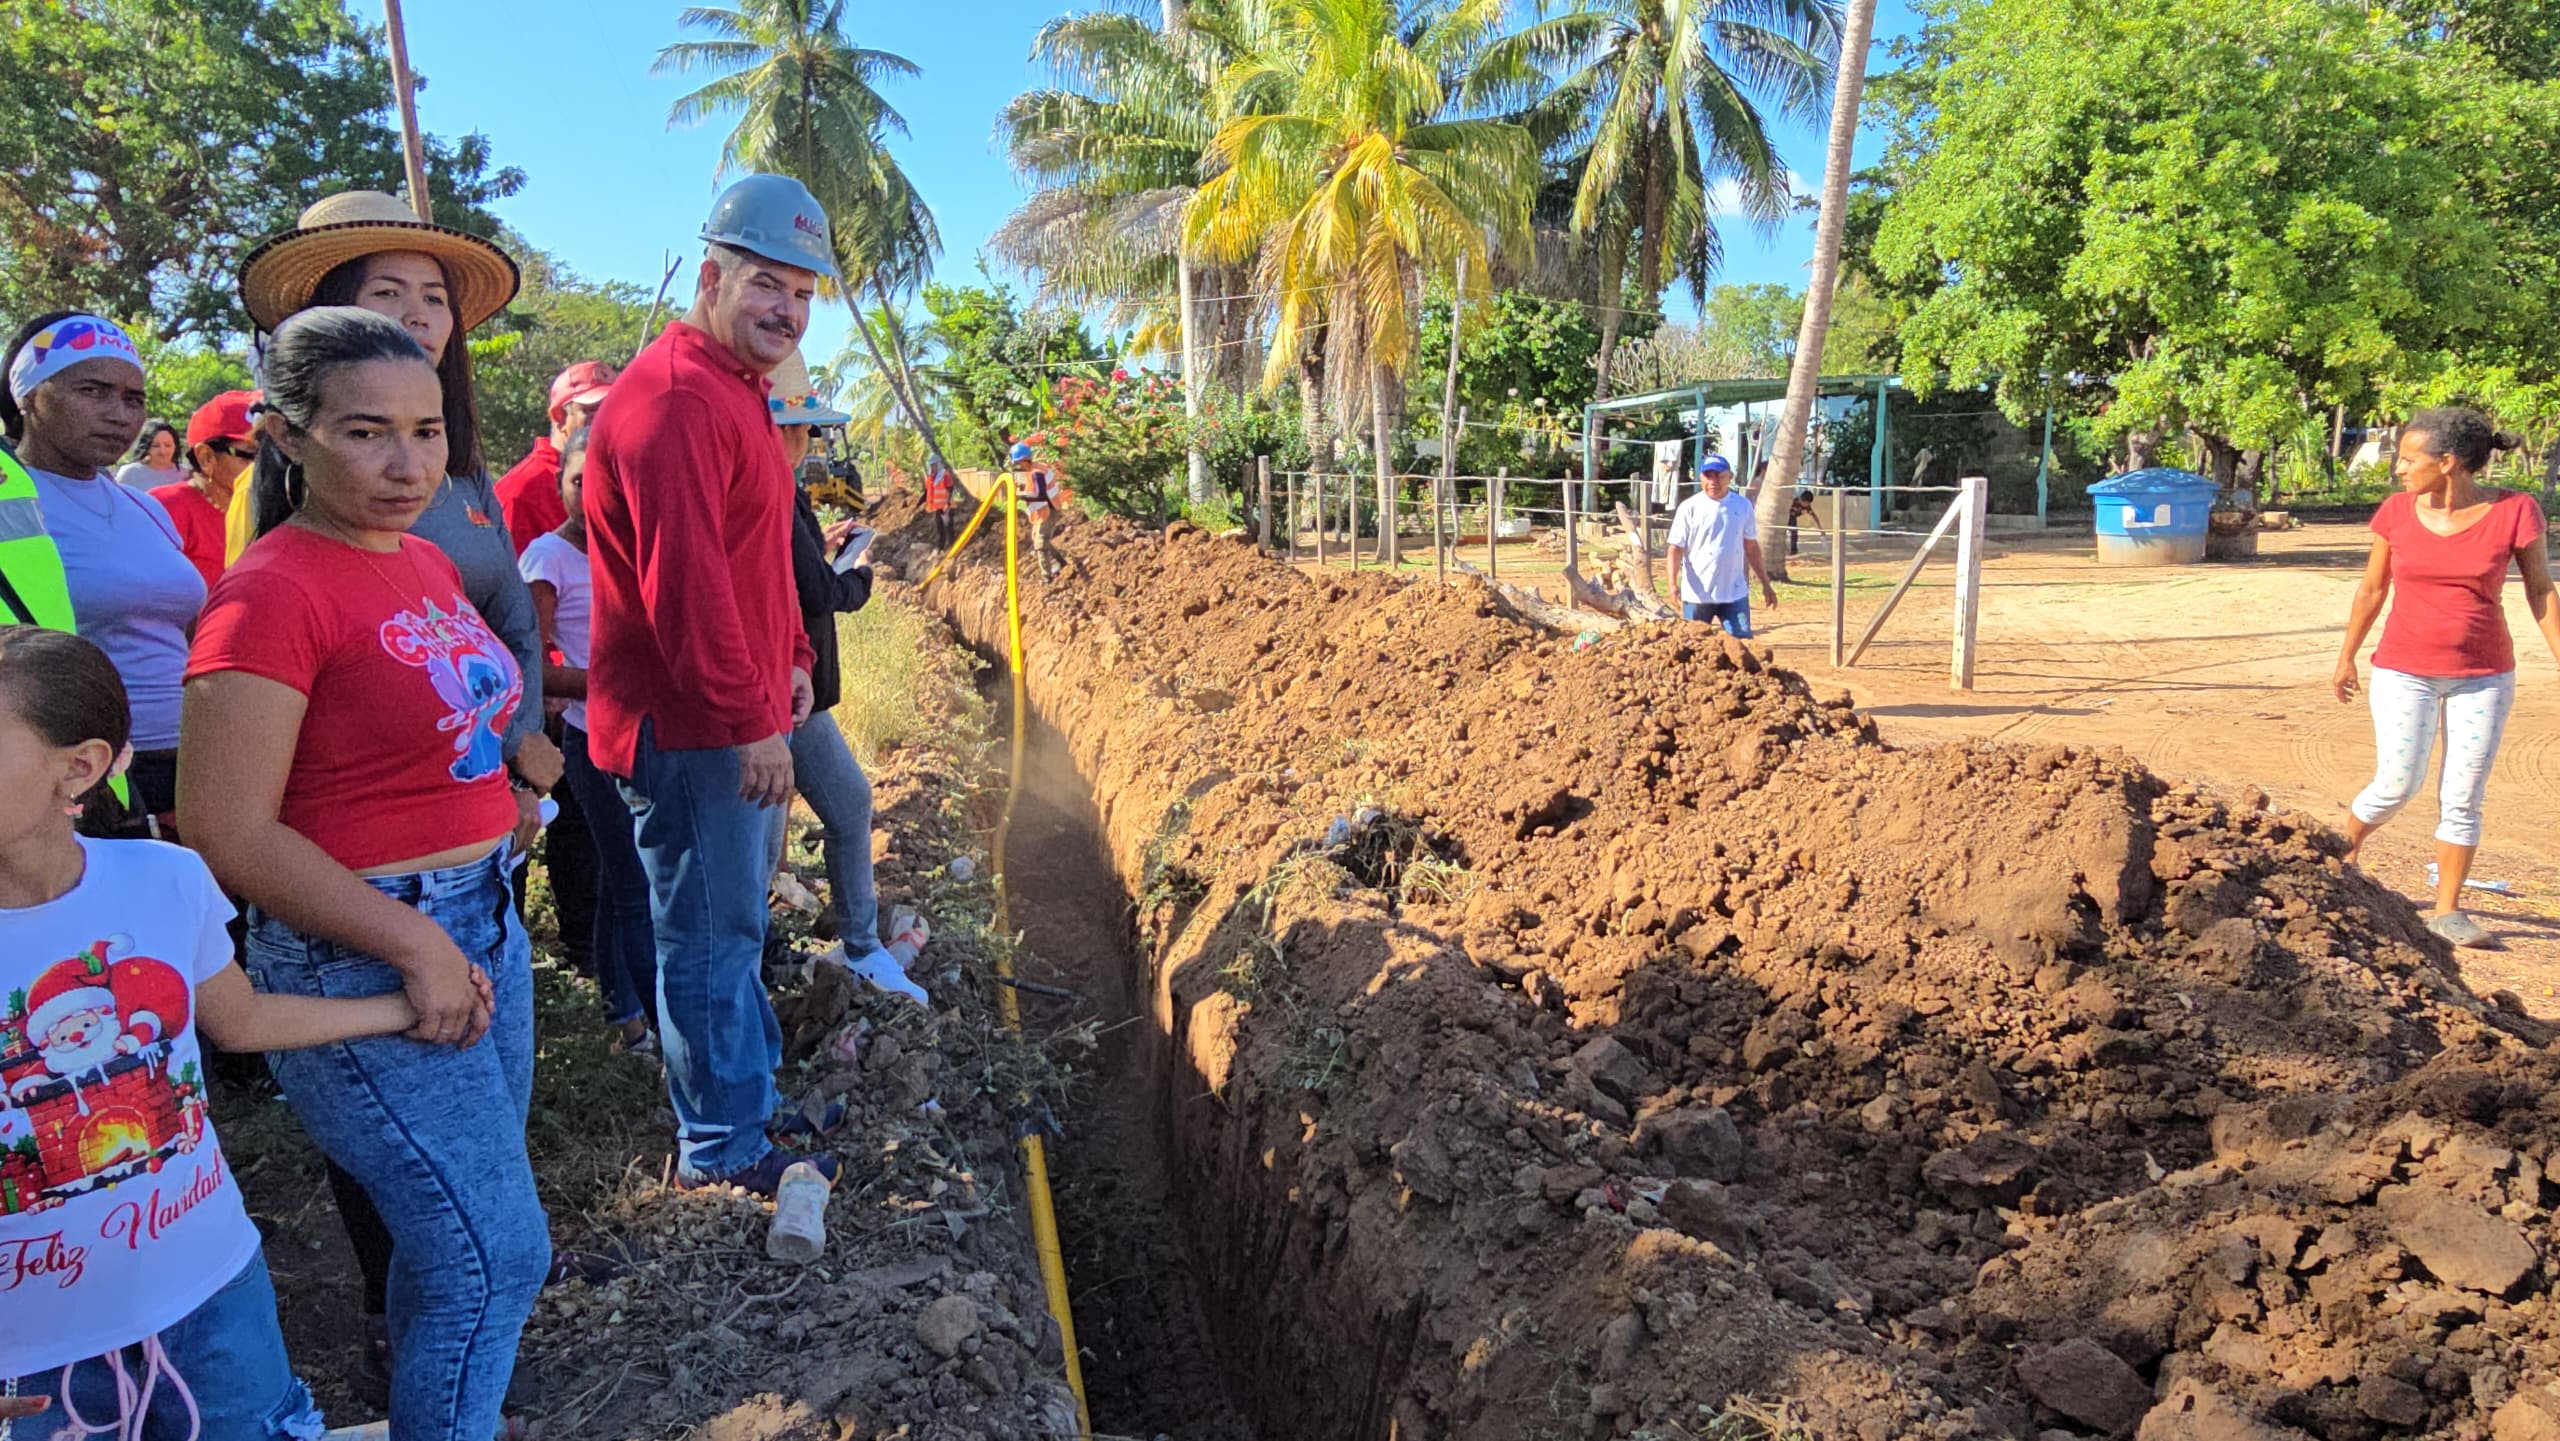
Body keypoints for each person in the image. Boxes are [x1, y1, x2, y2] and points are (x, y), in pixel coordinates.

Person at [178, 307, 549, 1440]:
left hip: (478, 918)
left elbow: (429, 723)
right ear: (289, 439)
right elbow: (224, 832)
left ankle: (445, 1411)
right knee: (497, 1255)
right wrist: (414, 942)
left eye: (428, 431)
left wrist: (510, 782)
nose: (406, 464)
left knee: (455, 1250)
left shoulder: (423, 557)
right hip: (368, 947)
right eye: (365, 433)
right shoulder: (270, 594)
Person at [0, 628, 459, 1439]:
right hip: (34, 1355)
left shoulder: (164, 879)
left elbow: (238, 1019)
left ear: (80, 766)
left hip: (213, 1294)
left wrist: (398, 1010)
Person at [584, 175, 839, 1196]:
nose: (786, 308)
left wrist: (793, 664)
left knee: (733, 923)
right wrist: (750, 724)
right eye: (767, 284)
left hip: (724, 714)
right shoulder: (680, 399)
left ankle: (746, 1100)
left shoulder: (733, 388)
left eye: (803, 293)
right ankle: (719, 1147)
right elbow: (684, 589)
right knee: (703, 930)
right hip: (689, 728)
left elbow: (756, 561)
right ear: (710, 276)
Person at [2331, 407, 2560, 949]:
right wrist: (2346, 657)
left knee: (2463, 794)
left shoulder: (2516, 511)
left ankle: (2447, 911)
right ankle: (2338, 850)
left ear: (2448, 462)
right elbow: (2371, 590)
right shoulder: (2395, 513)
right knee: (2397, 782)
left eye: (2409, 459)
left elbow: (2539, 590)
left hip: (2484, 675)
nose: (2400, 469)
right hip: (2402, 671)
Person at [0, 313, 205, 826]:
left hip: (192, 761)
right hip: (81, 776)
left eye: (132, 399)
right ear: (28, 396)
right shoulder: (12, 502)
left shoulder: (145, 507)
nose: (118, 414)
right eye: (92, 390)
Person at [767, 352, 928, 1005]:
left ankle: (855, 946)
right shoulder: (766, 495)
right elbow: (816, 588)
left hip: (797, 688)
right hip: (776, 696)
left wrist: (827, 546)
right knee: (796, 829)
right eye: (803, 429)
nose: (808, 443)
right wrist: (858, 573)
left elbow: (802, 570)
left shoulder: (782, 494)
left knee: (845, 806)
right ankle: (846, 952)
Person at [520, 424, 657, 1054]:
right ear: (561, 486)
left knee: (621, 881)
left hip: (641, 735)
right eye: (579, 481)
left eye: (605, 481)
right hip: (591, 741)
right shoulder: (548, 557)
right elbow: (531, 663)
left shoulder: (627, 549)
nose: (592, 492)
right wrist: (610, 681)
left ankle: (623, 1013)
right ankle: (652, 1025)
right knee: (632, 880)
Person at [496, 360, 616, 554]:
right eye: (593, 410)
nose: (607, 419)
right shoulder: (520, 491)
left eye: (613, 408)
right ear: (559, 416)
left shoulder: (618, 475)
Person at [154, 389, 260, 588]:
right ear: (206, 458)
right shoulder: (165, 508)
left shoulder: (273, 509)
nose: (264, 465)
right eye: (251, 455)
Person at [1665, 453, 1775, 637]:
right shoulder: (1689, 508)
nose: (1713, 481)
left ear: (1729, 477)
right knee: (1694, 645)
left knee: (1742, 646)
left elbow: (1751, 547)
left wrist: (1765, 583)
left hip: (1734, 593)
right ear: (1701, 478)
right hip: (1697, 596)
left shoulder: (1743, 506)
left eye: (1719, 476)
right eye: (1708, 476)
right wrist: (1672, 584)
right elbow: (1675, 549)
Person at [1008, 440, 1065, 580]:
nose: (1018, 466)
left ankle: (1047, 576)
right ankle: (1061, 561)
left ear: (1025, 460)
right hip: (1041, 510)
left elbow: (1040, 495)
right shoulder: (1032, 470)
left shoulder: (1037, 472)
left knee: (1040, 543)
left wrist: (1021, 497)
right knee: (1038, 539)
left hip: (1048, 509)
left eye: (1019, 462)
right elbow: (1031, 489)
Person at [113, 419, 183, 490]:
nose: (162, 451)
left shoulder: (185, 474)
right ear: (146, 447)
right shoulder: (130, 473)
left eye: (168, 445)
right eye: (156, 445)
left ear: (175, 446)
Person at [924, 455, 957, 547]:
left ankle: (952, 546)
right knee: (940, 529)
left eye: (933, 465)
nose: (932, 467)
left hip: (946, 507)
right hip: (938, 508)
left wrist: (948, 504)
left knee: (949, 528)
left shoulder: (945, 475)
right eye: (931, 465)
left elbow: (950, 490)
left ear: (938, 464)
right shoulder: (932, 478)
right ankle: (941, 548)